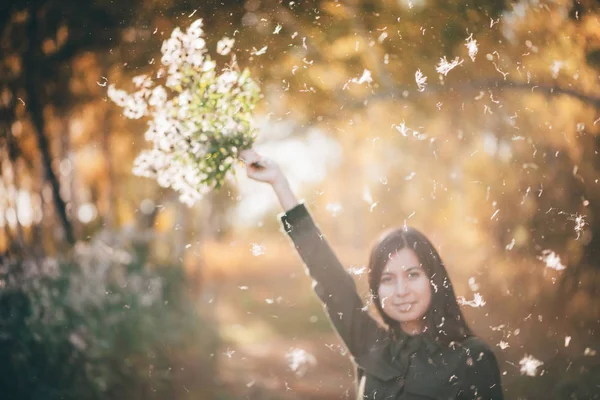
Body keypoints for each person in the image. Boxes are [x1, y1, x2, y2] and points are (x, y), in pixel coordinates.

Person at [240, 149, 504, 400]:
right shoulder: (371, 344)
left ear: (434, 279)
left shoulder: (471, 356)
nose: (401, 291)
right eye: (387, 279)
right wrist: (279, 184)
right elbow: (330, 278)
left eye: (412, 275)